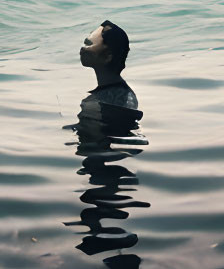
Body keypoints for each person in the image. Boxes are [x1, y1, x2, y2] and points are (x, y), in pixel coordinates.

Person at [68, 21, 146, 265]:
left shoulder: (110, 100)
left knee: (97, 211)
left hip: (104, 171)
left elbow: (100, 141)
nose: (82, 48)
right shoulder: (118, 94)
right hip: (105, 171)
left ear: (107, 56)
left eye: (89, 44)